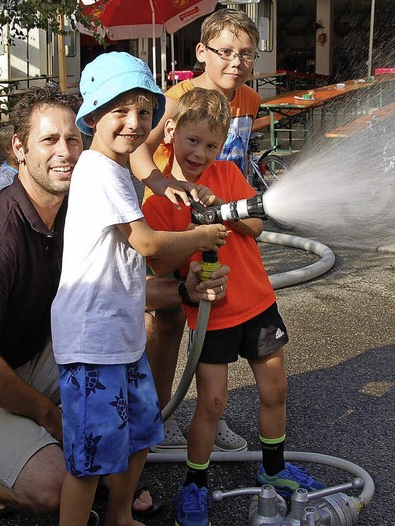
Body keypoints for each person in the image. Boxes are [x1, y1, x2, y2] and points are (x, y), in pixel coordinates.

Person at [0, 85, 228, 522]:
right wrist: (46, 415)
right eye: (48, 140)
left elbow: (111, 292)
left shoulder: (72, 210)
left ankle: (67, 448)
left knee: (122, 406)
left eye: (72, 140)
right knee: (59, 487)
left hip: (31, 355)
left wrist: (183, 292)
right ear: (17, 149)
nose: (65, 152)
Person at [50, 52, 229, 526]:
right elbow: (146, 241)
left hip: (121, 337)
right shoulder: (94, 171)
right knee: (91, 458)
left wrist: (165, 180)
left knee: (141, 432)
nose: (133, 123)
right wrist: (201, 236)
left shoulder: (118, 167)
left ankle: (120, 516)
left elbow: (142, 164)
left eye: (144, 112)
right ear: (92, 117)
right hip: (92, 342)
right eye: (120, 112)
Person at [142, 88, 326, 526]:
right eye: (192, 141)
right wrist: (192, 226)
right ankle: (195, 485)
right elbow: (161, 263)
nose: (200, 153)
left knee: (275, 390)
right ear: (171, 132)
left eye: (210, 145)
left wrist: (221, 211)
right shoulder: (159, 198)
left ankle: (275, 467)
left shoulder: (225, 174)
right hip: (212, 316)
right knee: (212, 402)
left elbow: (257, 223)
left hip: (258, 303)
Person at [131, 7, 261, 454]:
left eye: (246, 54)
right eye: (225, 51)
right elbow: (137, 154)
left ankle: (211, 413)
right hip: (171, 220)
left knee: (217, 314)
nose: (236, 62)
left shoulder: (248, 99)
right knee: (167, 319)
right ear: (203, 52)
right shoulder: (174, 99)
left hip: (219, 216)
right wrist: (165, 184)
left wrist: (233, 205)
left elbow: (234, 158)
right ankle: (156, 416)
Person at [0, 124, 19, 194]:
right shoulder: (3, 176)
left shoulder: (27, 167)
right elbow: (1, 202)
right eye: (18, 147)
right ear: (7, 149)